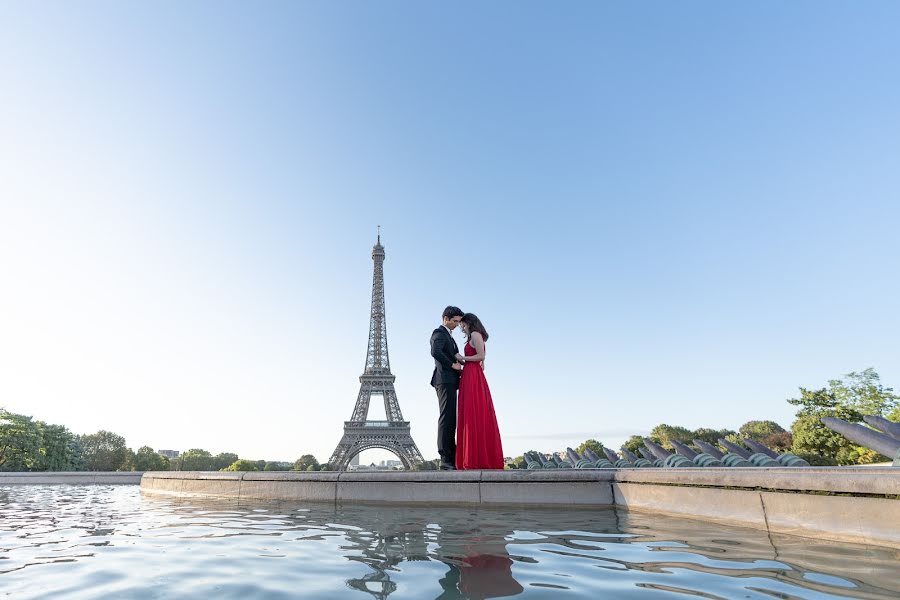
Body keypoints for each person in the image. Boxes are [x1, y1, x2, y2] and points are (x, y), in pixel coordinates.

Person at [454, 313, 504, 470]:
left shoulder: (475, 334)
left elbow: (481, 356)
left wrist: (463, 358)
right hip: (469, 374)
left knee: (472, 412)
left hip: (473, 375)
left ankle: (475, 458)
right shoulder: (472, 336)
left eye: (462, 323)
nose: (461, 326)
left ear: (469, 322)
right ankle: (473, 456)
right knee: (471, 413)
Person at [430, 306, 464, 470]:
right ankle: (446, 459)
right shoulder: (439, 333)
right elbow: (435, 352)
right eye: (455, 321)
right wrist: (452, 364)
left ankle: (451, 456)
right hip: (444, 380)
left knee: (451, 418)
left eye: (458, 322)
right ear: (446, 318)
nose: (457, 325)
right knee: (447, 417)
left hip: (449, 380)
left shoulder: (448, 337)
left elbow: (451, 354)